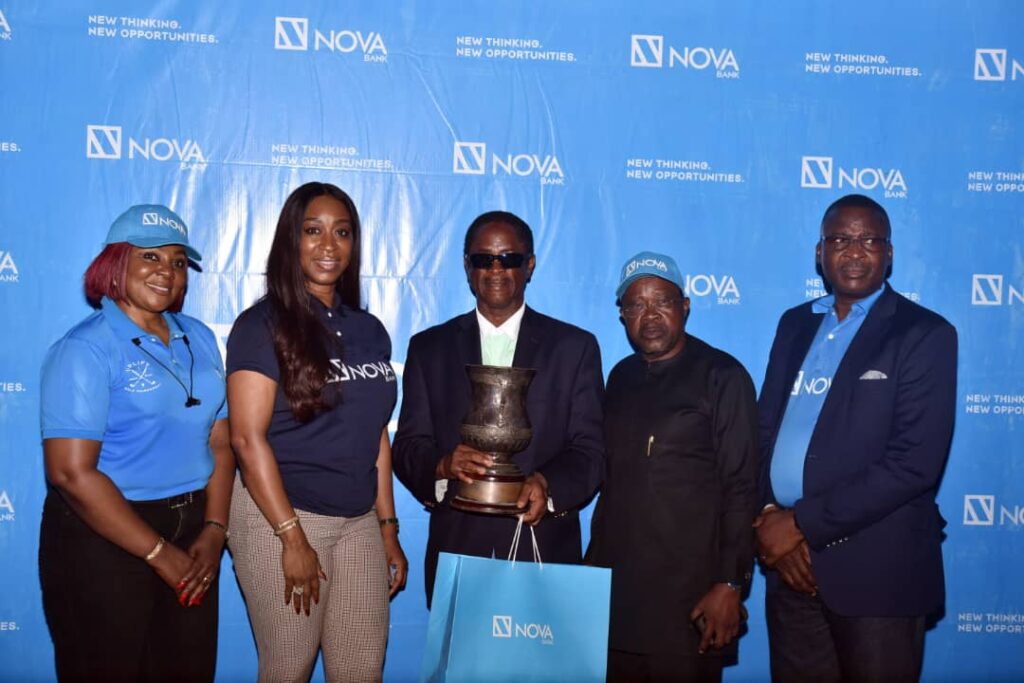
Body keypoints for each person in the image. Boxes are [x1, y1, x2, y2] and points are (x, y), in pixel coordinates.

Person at [755, 194, 957, 683]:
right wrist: (766, 517)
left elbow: (914, 464)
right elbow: (764, 431)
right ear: (819, 253)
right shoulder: (794, 323)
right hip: (790, 568)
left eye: (870, 240)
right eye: (840, 239)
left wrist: (799, 522)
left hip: (878, 575)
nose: (854, 251)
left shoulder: (924, 334)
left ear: (889, 254)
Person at [39, 204, 233, 681]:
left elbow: (222, 442)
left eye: (178, 261)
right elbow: (70, 473)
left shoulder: (199, 337)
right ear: (116, 261)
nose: (166, 272)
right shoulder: (85, 348)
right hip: (105, 538)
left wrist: (213, 529)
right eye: (150, 257)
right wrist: (157, 553)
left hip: (193, 534)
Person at [226, 182, 407, 682]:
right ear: (291, 239)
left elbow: (375, 434)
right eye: (313, 231)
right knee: (289, 668)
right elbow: (246, 439)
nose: (329, 245)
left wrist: (387, 528)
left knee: (361, 670)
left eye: (342, 232)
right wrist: (291, 537)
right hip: (282, 516)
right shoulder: (260, 324)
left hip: (357, 522)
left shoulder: (369, 329)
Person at [392, 210, 605, 604]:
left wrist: (547, 484)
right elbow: (407, 446)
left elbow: (590, 450)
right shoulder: (429, 348)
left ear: (530, 265)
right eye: (482, 259)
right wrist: (441, 466)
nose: (495, 269)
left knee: (540, 668)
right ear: (466, 267)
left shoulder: (574, 348)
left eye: (509, 259)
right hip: (458, 551)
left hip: (542, 549)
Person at [586, 251, 759, 683]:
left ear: (684, 306)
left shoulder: (722, 375)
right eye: (636, 304)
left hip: (692, 600)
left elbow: (742, 486)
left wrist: (730, 584)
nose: (650, 316)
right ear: (622, 315)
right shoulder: (621, 376)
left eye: (661, 301)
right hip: (617, 598)